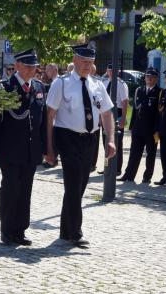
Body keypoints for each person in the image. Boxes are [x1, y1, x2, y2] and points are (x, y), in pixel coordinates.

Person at [44, 44, 116, 247]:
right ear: (74, 60)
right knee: (74, 183)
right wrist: (49, 148)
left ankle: (65, 230)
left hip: (90, 139)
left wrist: (110, 139)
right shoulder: (62, 83)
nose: (87, 65)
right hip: (67, 137)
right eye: (83, 61)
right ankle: (75, 232)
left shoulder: (97, 85)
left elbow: (107, 113)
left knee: (80, 185)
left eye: (90, 62)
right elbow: (50, 116)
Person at [0, 49, 46, 246]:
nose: (32, 70)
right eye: (28, 66)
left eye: (34, 66)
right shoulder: (4, 88)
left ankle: (20, 230)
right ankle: (7, 230)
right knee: (11, 189)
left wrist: (45, 148)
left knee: (25, 190)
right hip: (10, 150)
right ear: (18, 66)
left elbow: (42, 120)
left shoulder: (38, 87)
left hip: (31, 149)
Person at [119, 67, 161, 183]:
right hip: (138, 127)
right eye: (147, 76)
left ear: (156, 79)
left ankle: (147, 177)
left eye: (152, 77)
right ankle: (129, 175)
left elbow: (159, 113)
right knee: (134, 152)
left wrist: (157, 129)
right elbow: (134, 111)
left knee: (150, 154)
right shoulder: (139, 90)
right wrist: (132, 126)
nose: (149, 79)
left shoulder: (159, 92)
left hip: (152, 129)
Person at [101, 63, 129, 175]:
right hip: (106, 112)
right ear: (107, 71)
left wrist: (123, 118)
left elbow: (125, 102)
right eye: (109, 70)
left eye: (113, 70)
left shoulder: (121, 84)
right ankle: (107, 166)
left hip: (117, 112)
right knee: (105, 141)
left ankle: (117, 168)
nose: (111, 72)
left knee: (117, 142)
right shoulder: (104, 82)